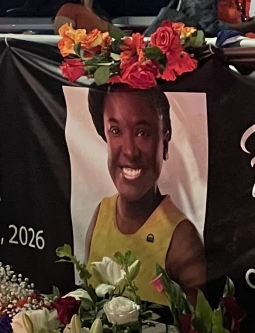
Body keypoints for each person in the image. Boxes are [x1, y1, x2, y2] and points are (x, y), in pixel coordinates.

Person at [84, 85, 205, 295]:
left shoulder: (181, 240)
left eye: (142, 133)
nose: (130, 151)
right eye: (115, 131)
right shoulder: (101, 214)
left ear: (165, 143)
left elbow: (198, 325)